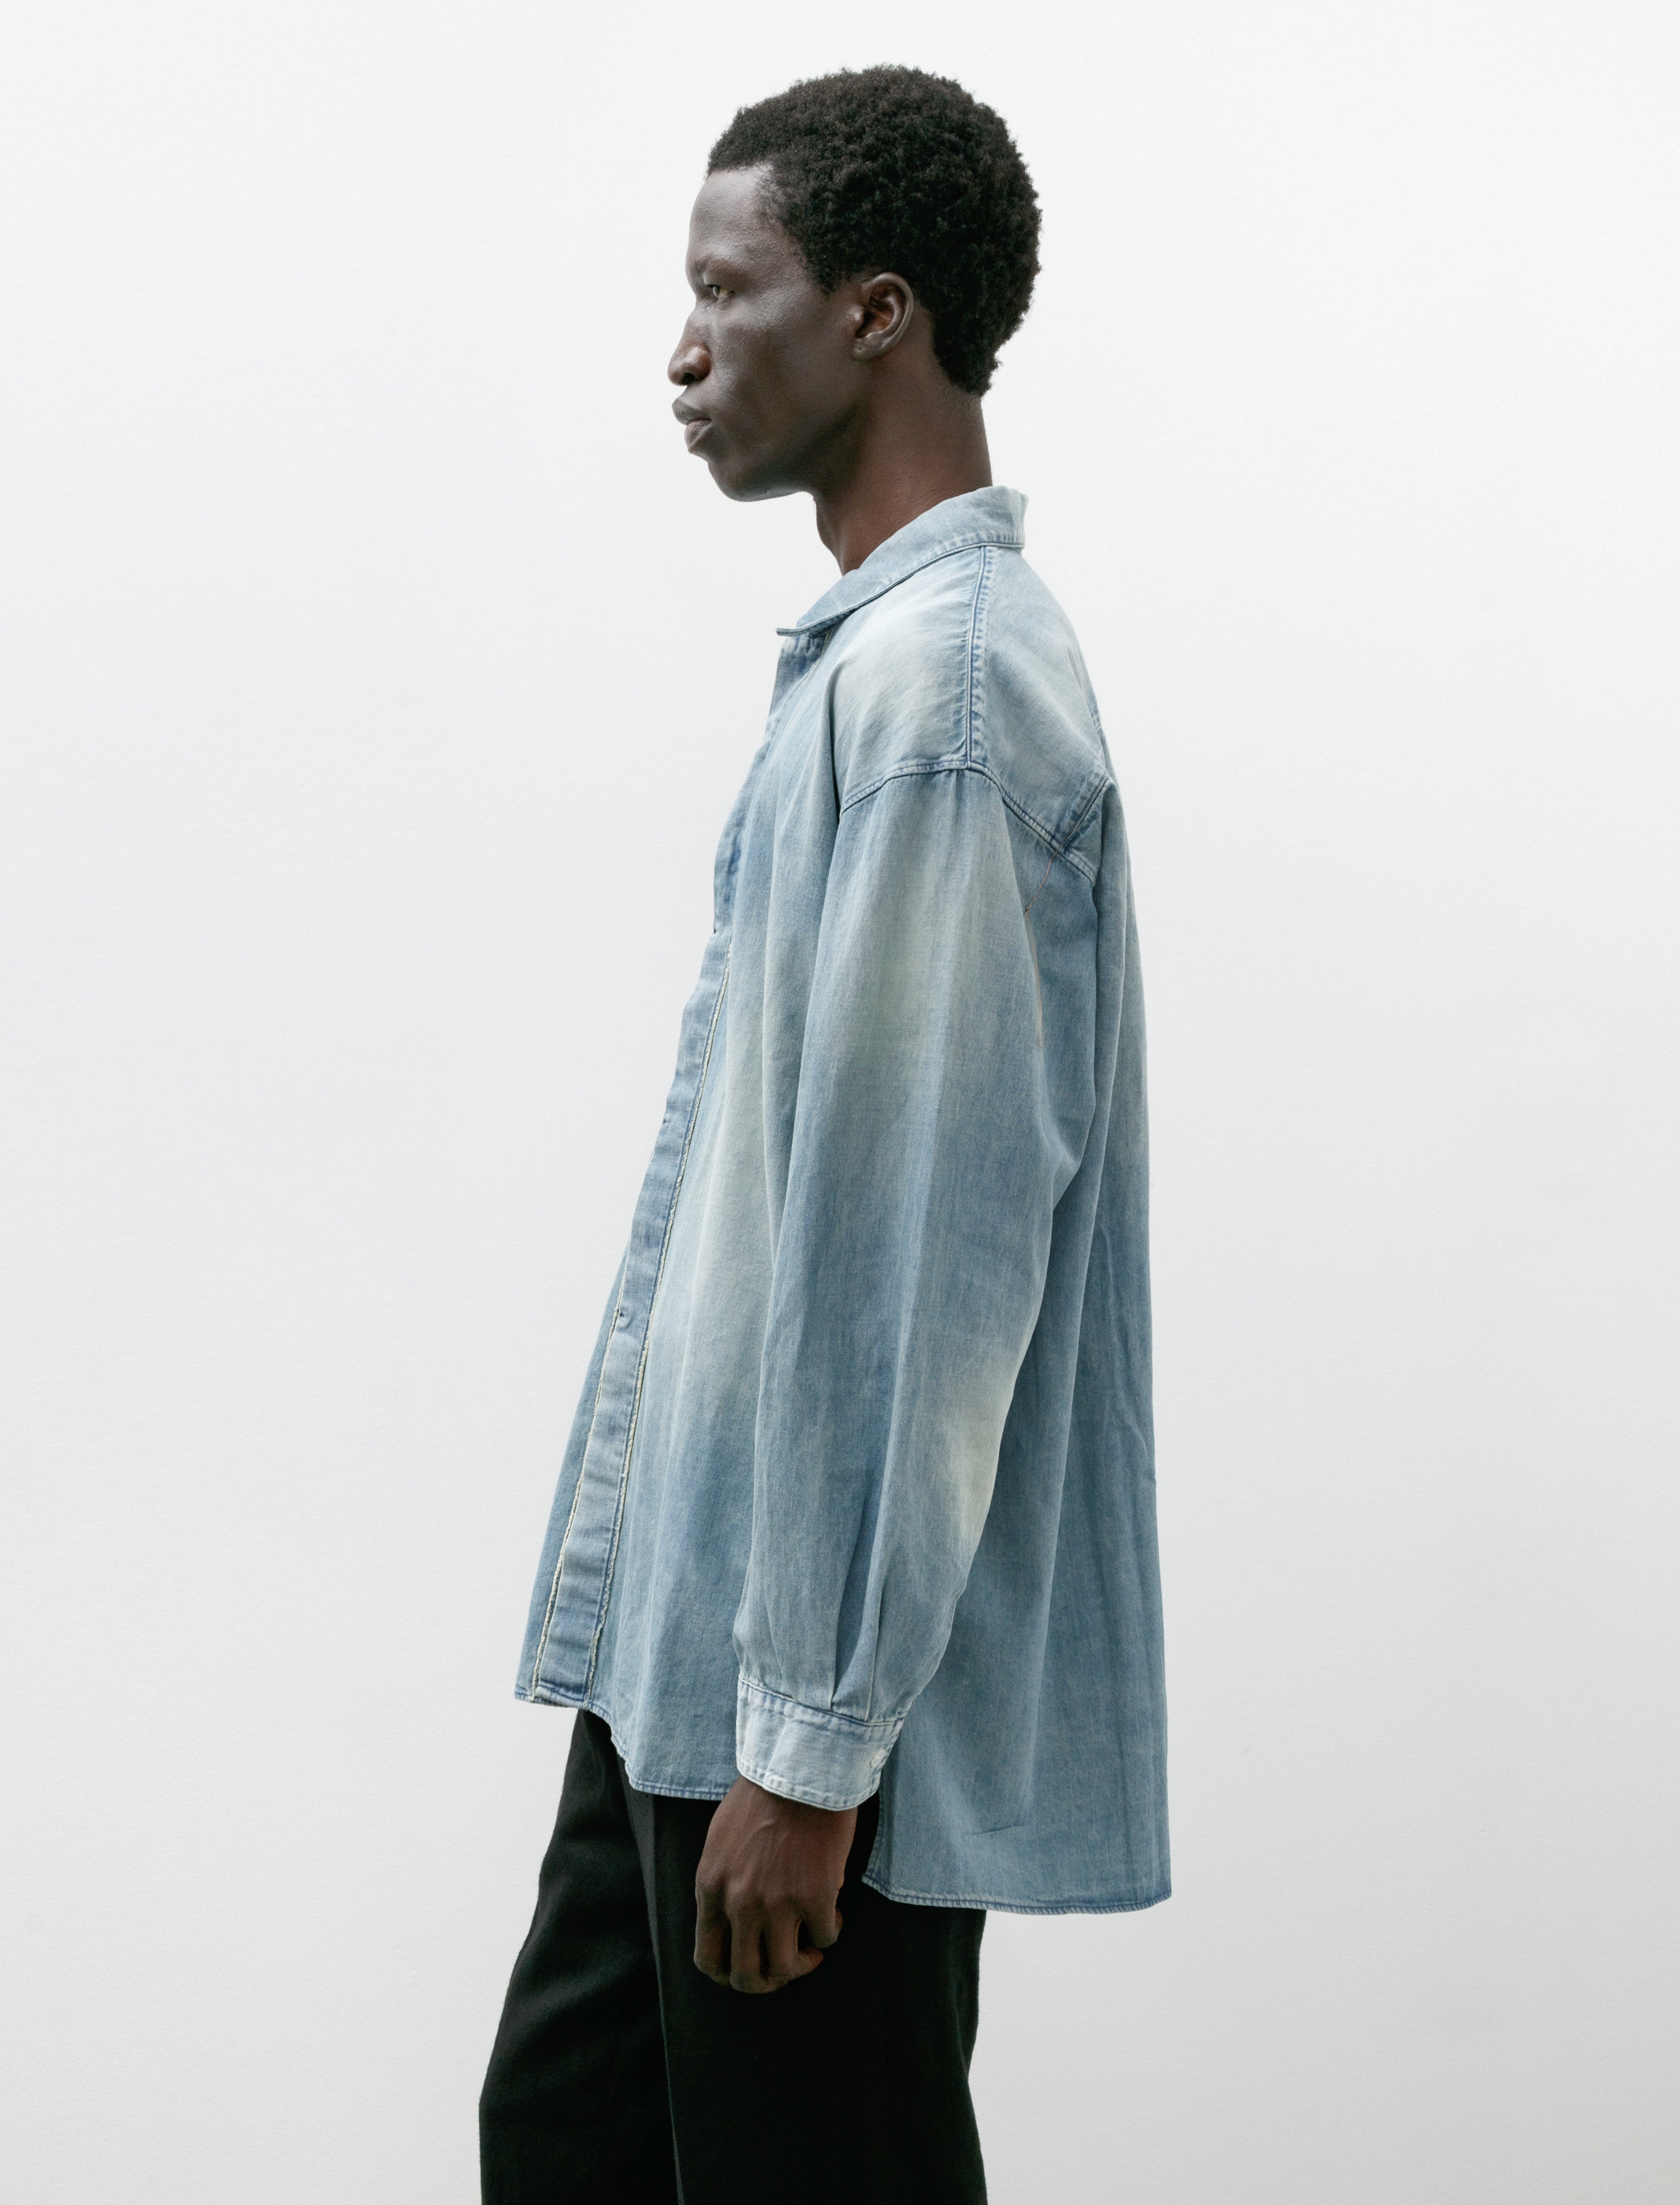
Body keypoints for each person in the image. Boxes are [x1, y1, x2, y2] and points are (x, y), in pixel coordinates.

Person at [479, 64, 1168, 2205]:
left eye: (727, 291)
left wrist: (813, 1747)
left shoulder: (948, 701)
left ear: (876, 315)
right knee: (565, 2139)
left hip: (792, 1716)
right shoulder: (874, 670)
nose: (685, 352)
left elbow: (919, 1267)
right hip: (685, 1659)